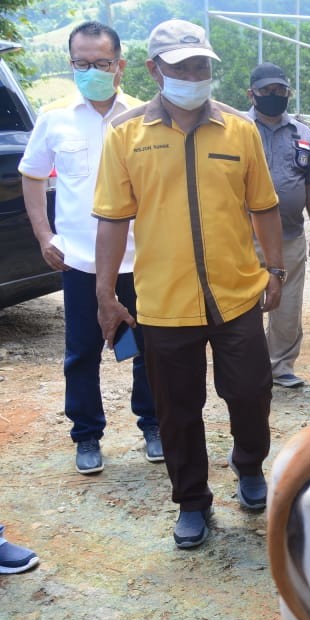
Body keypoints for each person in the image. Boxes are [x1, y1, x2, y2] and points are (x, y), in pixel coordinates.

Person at [93, 20, 284, 549]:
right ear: (155, 70)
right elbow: (112, 219)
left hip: (237, 294)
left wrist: (277, 269)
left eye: (201, 65)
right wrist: (105, 295)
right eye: (181, 67)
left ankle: (249, 467)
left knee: (250, 393)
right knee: (176, 410)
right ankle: (192, 501)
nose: (194, 75)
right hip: (163, 302)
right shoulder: (127, 135)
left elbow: (263, 206)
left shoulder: (239, 130)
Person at [18, 21, 161, 476]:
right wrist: (45, 235)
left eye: (101, 63)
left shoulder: (144, 116)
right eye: (81, 63)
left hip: (144, 259)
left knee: (149, 348)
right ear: (71, 63)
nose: (91, 71)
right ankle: (87, 435)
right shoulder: (54, 117)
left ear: (120, 65)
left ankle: (154, 425)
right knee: (82, 353)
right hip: (78, 260)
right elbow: (32, 174)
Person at [245, 62, 310, 389]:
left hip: (290, 236)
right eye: (268, 91)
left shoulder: (304, 134)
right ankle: (248, 368)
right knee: (245, 307)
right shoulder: (236, 129)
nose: (275, 96)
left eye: (281, 91)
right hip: (243, 238)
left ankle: (280, 367)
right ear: (252, 94)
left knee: (288, 307)